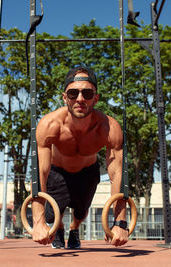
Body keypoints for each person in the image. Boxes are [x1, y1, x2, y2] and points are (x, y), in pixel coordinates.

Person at [31, 66, 129, 249]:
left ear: (96, 98)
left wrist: (120, 222)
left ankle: (74, 228)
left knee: (81, 212)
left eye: (87, 93)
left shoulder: (109, 128)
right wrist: (38, 221)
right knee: (52, 214)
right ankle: (58, 226)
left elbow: (117, 175)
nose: (80, 99)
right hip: (57, 171)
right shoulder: (49, 125)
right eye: (73, 93)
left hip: (87, 172)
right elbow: (40, 173)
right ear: (64, 97)